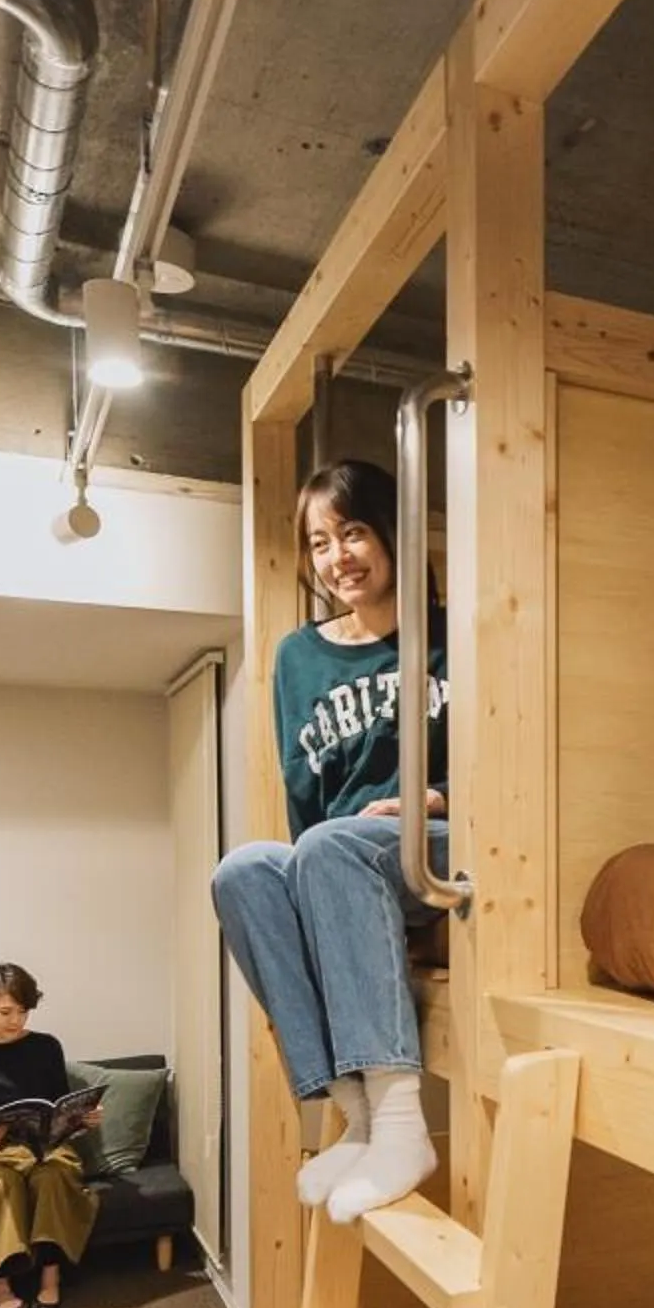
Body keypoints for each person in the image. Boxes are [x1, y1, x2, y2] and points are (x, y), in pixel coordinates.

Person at [210, 459, 449, 1224]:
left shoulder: (455, 632)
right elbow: (302, 798)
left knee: (331, 846)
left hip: (440, 838)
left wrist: (441, 796)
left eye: (352, 532)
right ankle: (354, 1113)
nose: (337, 557)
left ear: (391, 531)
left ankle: (402, 1124)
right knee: (245, 868)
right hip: (342, 855)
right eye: (319, 543)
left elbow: (514, 755)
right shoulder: (297, 656)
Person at [0, 961, 99, 1308]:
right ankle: (0, 1284)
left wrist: (83, 1118)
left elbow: (59, 1106)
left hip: (46, 1148)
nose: (16, 1021)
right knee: (3, 1184)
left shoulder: (46, 1047)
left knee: (53, 1178)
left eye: (23, 1011)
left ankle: (50, 1277)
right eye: (6, 1011)